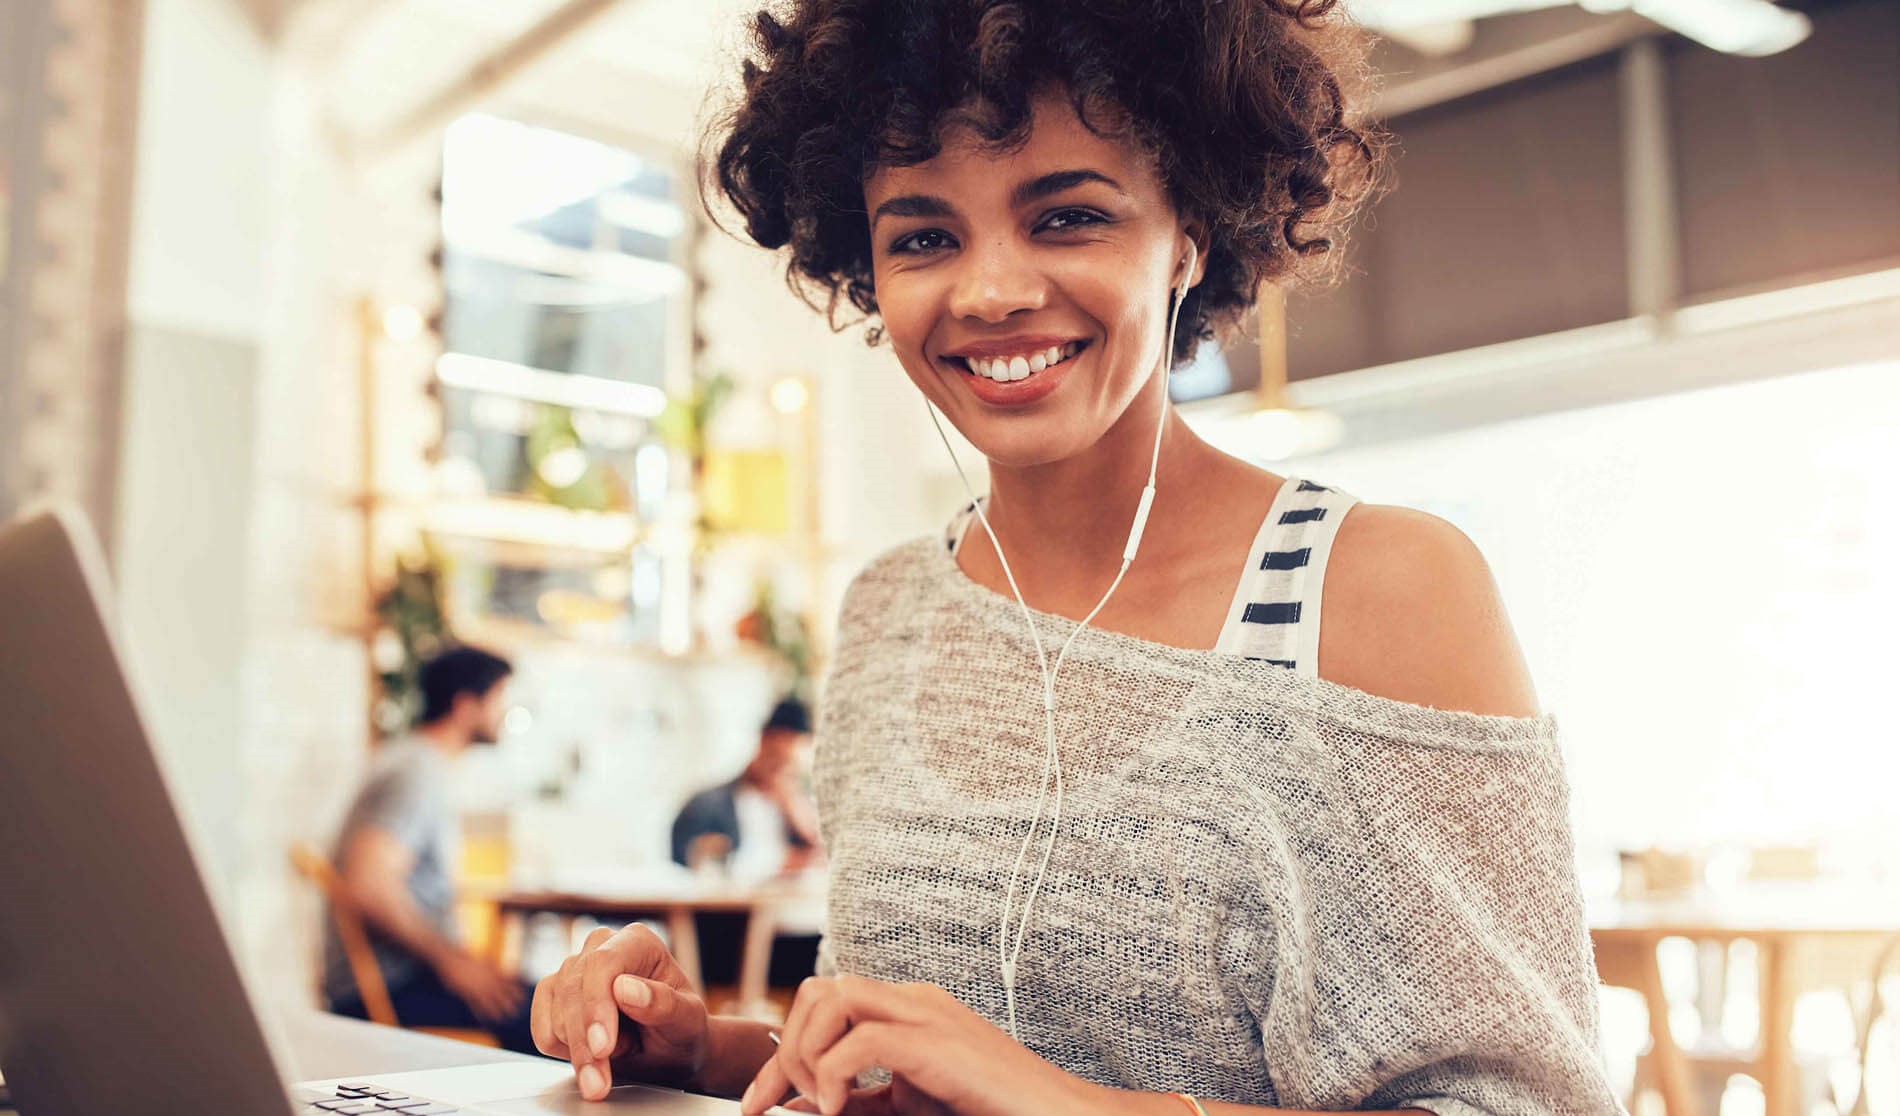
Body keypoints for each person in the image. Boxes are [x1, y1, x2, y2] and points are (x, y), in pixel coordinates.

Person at [532, 2, 1621, 1114]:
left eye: (1066, 218)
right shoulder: (891, 613)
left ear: (1189, 233)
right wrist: (699, 1052)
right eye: (922, 236)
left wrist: (1052, 1098)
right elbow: (893, 1073)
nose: (990, 290)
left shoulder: (1378, 591)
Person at [322, 645, 538, 1054]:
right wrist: (452, 964)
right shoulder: (417, 772)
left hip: (406, 978)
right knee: (553, 1016)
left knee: (548, 1002)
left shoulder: (416, 763)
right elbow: (369, 885)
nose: (505, 714)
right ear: (465, 705)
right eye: (498, 699)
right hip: (388, 988)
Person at [669, 697, 825, 990]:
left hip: (791, 934)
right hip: (729, 934)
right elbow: (687, 865)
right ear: (762, 741)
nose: (781, 770)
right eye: (777, 758)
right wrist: (779, 863)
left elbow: (825, 857)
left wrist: (793, 807)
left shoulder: (797, 811)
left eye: (790, 765)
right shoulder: (708, 805)